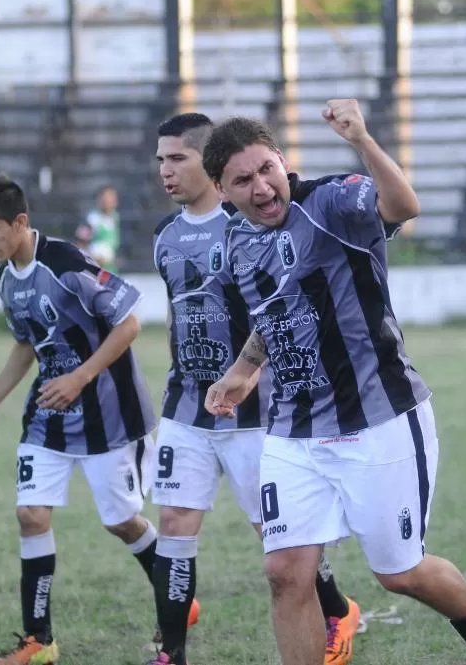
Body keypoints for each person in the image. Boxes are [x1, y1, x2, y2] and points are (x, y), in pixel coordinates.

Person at [202, 102, 466, 665]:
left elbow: (404, 205)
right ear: (223, 192)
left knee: (400, 573)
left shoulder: (332, 201)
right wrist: (245, 369)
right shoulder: (236, 242)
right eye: (242, 180)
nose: (261, 187)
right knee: (284, 572)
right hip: (294, 430)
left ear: (282, 161)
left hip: (380, 419)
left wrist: (364, 142)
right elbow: (274, 311)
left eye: (266, 169)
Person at [0, 175, 193, 665]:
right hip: (49, 416)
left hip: (110, 415)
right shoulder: (4, 278)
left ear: (20, 222)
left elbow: (128, 322)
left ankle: (176, 600)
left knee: (123, 522)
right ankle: (38, 641)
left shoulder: (66, 264)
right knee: (30, 514)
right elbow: (27, 342)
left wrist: (81, 377)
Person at [149, 113, 362, 665]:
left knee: (278, 537)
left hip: (256, 411)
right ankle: (171, 653)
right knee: (173, 523)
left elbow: (280, 313)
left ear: (210, 167)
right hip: (185, 403)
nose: (166, 171)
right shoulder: (164, 237)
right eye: (160, 161)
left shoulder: (252, 223)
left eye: (178, 159)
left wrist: (250, 375)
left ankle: (336, 610)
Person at [85, 184, 121, 271]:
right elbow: (81, 244)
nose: (110, 200)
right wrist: (94, 258)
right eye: (106, 197)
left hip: (111, 269)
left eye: (112, 197)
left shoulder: (115, 217)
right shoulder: (92, 219)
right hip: (96, 270)